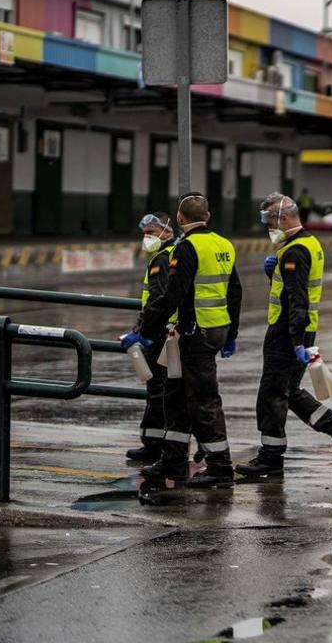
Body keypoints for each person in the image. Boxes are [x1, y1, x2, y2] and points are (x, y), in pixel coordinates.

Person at [235, 194, 332, 477]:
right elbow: (291, 291)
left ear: (284, 218)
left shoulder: (294, 251)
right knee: (288, 392)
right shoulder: (307, 243)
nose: (268, 227)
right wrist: (274, 274)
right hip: (299, 328)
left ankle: (270, 457)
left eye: (270, 220)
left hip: (287, 332)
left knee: (271, 394)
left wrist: (296, 342)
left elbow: (297, 299)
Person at [124, 192, 241, 489]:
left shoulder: (186, 248)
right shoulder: (224, 245)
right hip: (216, 330)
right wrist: (232, 334)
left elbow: (171, 296)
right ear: (208, 215)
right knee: (174, 395)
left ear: (179, 219)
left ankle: (220, 466)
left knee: (203, 400)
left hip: (195, 332)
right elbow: (235, 292)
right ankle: (173, 460)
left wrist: (144, 330)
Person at [124, 212, 177, 464]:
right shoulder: (169, 254)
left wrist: (141, 331)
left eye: (152, 233)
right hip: (166, 332)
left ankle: (155, 447)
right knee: (162, 389)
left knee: (158, 389)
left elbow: (157, 300)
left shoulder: (163, 259)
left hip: (160, 333)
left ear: (167, 232)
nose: (146, 238)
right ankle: (158, 444)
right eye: (144, 234)